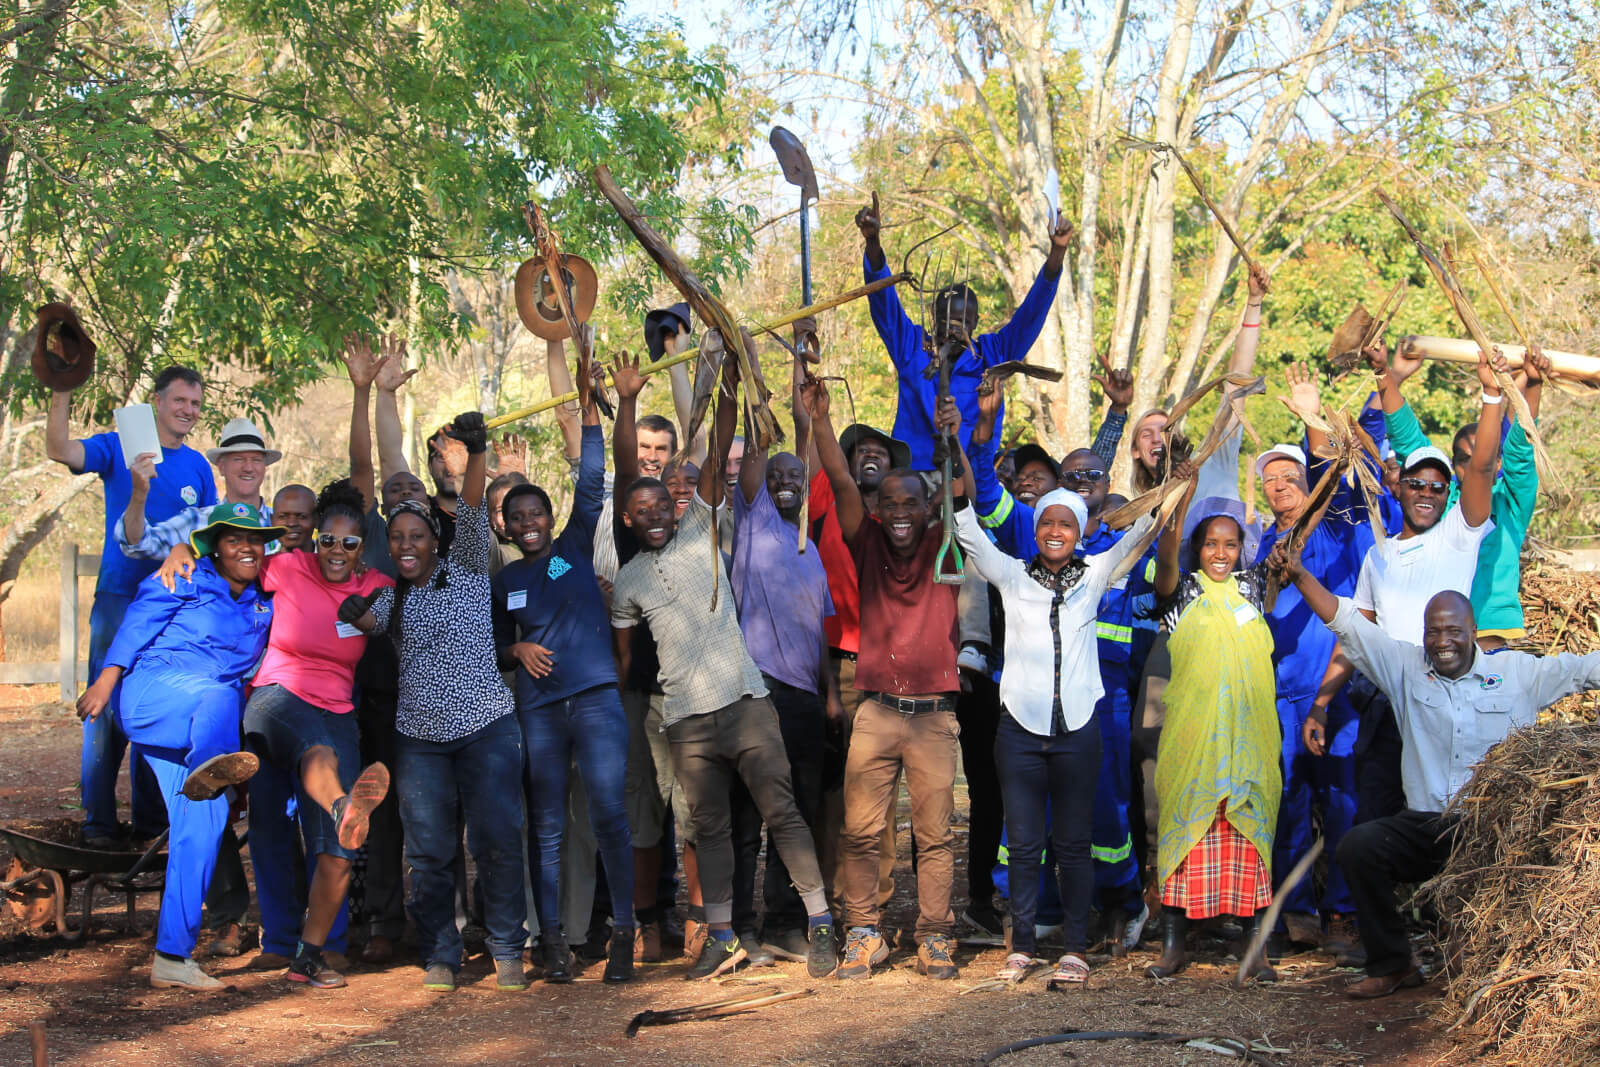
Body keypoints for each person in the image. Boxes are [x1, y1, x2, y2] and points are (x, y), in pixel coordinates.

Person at [1275, 544, 1600, 998]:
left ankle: (1494, 968)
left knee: (1489, 925)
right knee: (1359, 847)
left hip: (1494, 828)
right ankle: (1394, 964)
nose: (1442, 640)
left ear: (1472, 630)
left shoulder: (1517, 674)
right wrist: (1298, 575)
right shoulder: (1408, 669)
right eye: (1433, 631)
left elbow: (1585, 670)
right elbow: (1347, 624)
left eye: (1452, 630)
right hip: (1427, 825)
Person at [610, 352, 839, 982]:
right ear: (629, 518)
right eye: (644, 509)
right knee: (709, 827)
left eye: (664, 505)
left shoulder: (699, 532)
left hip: (745, 703)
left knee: (782, 811)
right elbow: (629, 656)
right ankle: (721, 936)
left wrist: (731, 383)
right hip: (686, 720)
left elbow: (715, 460)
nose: (657, 513)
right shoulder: (627, 583)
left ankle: (819, 924)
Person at [949, 397, 1157, 985]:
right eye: (1047, 523)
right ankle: (1020, 945)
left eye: (1066, 523)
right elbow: (968, 530)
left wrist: (1173, 479)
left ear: (1079, 530)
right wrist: (958, 449)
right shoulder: (1012, 575)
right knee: (1023, 842)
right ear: (1036, 530)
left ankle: (1073, 947)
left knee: (1073, 841)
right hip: (1019, 727)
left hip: (1079, 728)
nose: (1056, 531)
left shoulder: (1097, 574)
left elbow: (1143, 531)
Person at [339, 412, 529, 994]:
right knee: (429, 852)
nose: (405, 546)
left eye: (415, 536)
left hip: (486, 727)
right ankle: (441, 955)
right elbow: (367, 622)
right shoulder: (392, 597)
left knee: (495, 839)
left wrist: (475, 454)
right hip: (420, 741)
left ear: (432, 539)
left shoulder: (467, 568)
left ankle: (505, 949)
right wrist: (353, 612)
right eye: (396, 540)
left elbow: (471, 507)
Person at [75, 503, 285, 989]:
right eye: (234, 540)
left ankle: (172, 956)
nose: (247, 548)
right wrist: (106, 683)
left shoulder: (264, 598)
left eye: (255, 540)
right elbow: (135, 625)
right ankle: (218, 770)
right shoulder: (186, 577)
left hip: (197, 732)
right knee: (217, 693)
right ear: (215, 546)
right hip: (155, 697)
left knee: (204, 823)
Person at [1306, 344, 1505, 824]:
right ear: (1399, 486)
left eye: (1438, 486)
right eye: (1418, 483)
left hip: (1445, 700)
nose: (1428, 493)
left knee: (1447, 825)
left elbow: (1480, 466)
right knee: (1376, 824)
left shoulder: (1461, 533)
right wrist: (1321, 704)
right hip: (1388, 707)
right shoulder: (1379, 556)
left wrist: (1492, 392)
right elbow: (1356, 637)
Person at [807, 375, 962, 983]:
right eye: (889, 503)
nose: (899, 513)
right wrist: (819, 420)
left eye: (911, 504)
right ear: (876, 510)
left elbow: (962, 487)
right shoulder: (865, 538)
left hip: (934, 715)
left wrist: (954, 435)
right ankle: (864, 933)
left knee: (935, 835)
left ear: (929, 510)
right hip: (875, 710)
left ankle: (935, 936)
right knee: (861, 830)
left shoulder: (945, 545)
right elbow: (843, 479)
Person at [492, 361, 635, 984]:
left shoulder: (574, 547)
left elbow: (594, 480)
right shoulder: (506, 580)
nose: (527, 526)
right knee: (545, 824)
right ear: (504, 524)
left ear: (551, 517)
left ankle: (624, 932)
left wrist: (594, 411)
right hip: (541, 710)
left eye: (535, 516)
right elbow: (491, 646)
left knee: (608, 813)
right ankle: (550, 940)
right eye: (516, 519)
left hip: (596, 700)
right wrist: (516, 652)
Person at [45, 365, 216, 849]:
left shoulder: (200, 467)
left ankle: (148, 824)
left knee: (158, 705)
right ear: (157, 402)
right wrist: (62, 390)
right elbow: (60, 450)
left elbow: (204, 539)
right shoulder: (122, 445)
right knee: (106, 707)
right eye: (180, 401)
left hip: (173, 605)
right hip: (122, 596)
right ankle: (98, 825)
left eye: (196, 404)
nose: (188, 411)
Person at [236, 481, 393, 988]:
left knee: (338, 853)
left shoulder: (376, 588)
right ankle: (344, 807)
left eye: (349, 544)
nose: (336, 552)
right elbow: (233, 563)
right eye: (328, 540)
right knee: (315, 750)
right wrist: (179, 548)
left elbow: (386, 623)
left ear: (362, 548)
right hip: (277, 695)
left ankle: (308, 956)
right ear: (316, 539)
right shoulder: (288, 566)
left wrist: (368, 619)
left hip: (339, 707)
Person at [1250, 365, 1378, 956]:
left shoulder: (1329, 531)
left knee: (1344, 802)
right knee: (1287, 806)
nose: (1280, 485)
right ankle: (1295, 912)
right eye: (1270, 479)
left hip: (1335, 688)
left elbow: (1330, 477)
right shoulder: (1257, 548)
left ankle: (1345, 914)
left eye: (1289, 475)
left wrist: (1311, 415)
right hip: (1277, 697)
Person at [728, 353, 843, 965]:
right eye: (776, 478)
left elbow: (816, 626)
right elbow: (764, 459)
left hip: (801, 696)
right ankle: (740, 925)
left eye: (793, 477)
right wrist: (750, 373)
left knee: (793, 807)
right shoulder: (754, 523)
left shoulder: (811, 546)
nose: (784, 483)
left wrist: (828, 692)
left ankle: (782, 920)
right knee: (748, 807)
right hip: (756, 690)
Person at [1145, 464, 1279, 982]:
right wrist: (1183, 500)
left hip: (1248, 738)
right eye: (1210, 544)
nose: (1220, 553)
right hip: (1194, 741)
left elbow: (1299, 533)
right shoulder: (1180, 592)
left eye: (1229, 544)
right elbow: (1165, 557)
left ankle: (1255, 949)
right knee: (1187, 830)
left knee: (1249, 831)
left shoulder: (1253, 587)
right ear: (1196, 549)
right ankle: (1173, 945)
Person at [856, 193, 1075, 468]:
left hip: (971, 479)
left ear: (975, 323)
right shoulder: (912, 347)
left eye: (963, 320)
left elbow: (1031, 315)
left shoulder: (992, 354)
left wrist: (1057, 253)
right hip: (913, 480)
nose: (953, 327)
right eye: (945, 319)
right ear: (933, 319)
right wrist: (873, 243)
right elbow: (883, 304)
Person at [1378, 341, 1547, 648]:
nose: (1472, 467)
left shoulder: (1510, 501)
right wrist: (1383, 373)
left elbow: (1521, 449)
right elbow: (1408, 441)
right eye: (1462, 460)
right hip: (1443, 634)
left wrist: (1533, 384)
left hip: (1491, 634)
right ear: (1453, 466)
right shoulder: (1444, 503)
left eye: (1479, 457)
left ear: (1496, 460)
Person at [117, 416, 282, 559]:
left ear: (264, 468)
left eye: (256, 460)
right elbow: (139, 544)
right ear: (222, 467)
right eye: (238, 459)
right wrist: (139, 494)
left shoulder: (279, 523)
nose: (248, 467)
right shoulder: (196, 521)